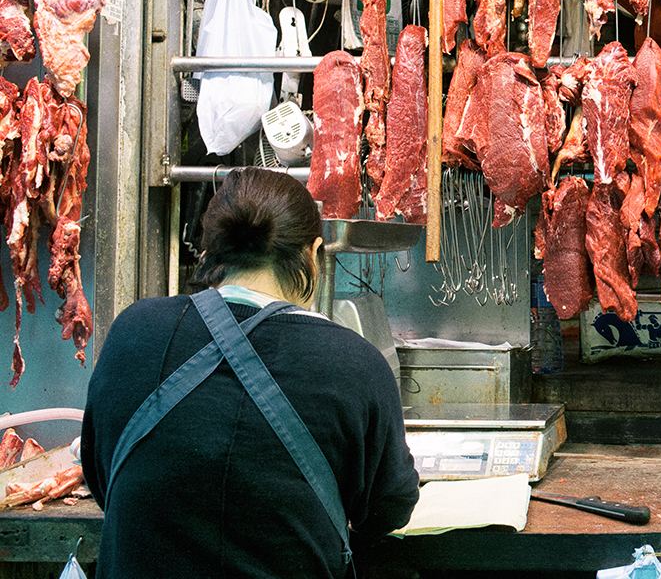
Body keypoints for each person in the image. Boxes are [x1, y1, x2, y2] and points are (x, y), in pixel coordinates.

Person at [81, 168, 419, 578]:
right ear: (313, 256)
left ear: (210, 252)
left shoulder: (133, 331)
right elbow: (389, 509)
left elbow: (103, 479)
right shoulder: (355, 363)